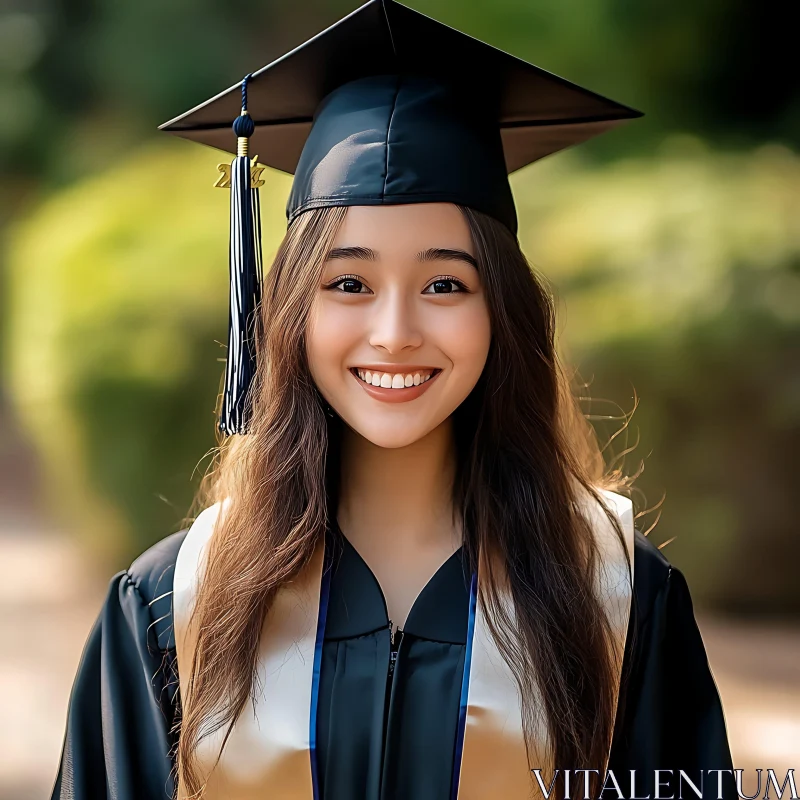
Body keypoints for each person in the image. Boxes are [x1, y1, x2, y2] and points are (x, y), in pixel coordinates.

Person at [50, 1, 737, 799]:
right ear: (290, 312)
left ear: (502, 313)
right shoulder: (178, 607)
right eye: (349, 283)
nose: (395, 331)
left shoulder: (616, 598)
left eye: (446, 282)